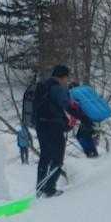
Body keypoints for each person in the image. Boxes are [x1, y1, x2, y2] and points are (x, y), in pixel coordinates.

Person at [33, 64, 73, 196]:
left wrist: (65, 124)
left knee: (45, 156)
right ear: (62, 77)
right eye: (66, 77)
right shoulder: (57, 88)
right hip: (53, 127)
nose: (67, 81)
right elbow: (65, 105)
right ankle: (49, 189)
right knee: (57, 158)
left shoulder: (44, 86)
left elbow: (53, 107)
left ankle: (40, 188)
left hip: (41, 125)